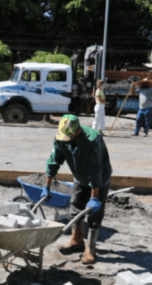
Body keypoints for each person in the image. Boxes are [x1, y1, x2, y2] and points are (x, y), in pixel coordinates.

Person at [40, 114, 112, 265]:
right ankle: (77, 241)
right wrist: (47, 186)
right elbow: (53, 161)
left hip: (99, 178)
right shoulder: (61, 136)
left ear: (78, 132)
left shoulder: (93, 139)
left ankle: (90, 249)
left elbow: (96, 170)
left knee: (94, 214)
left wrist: (94, 197)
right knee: (76, 207)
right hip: (79, 176)